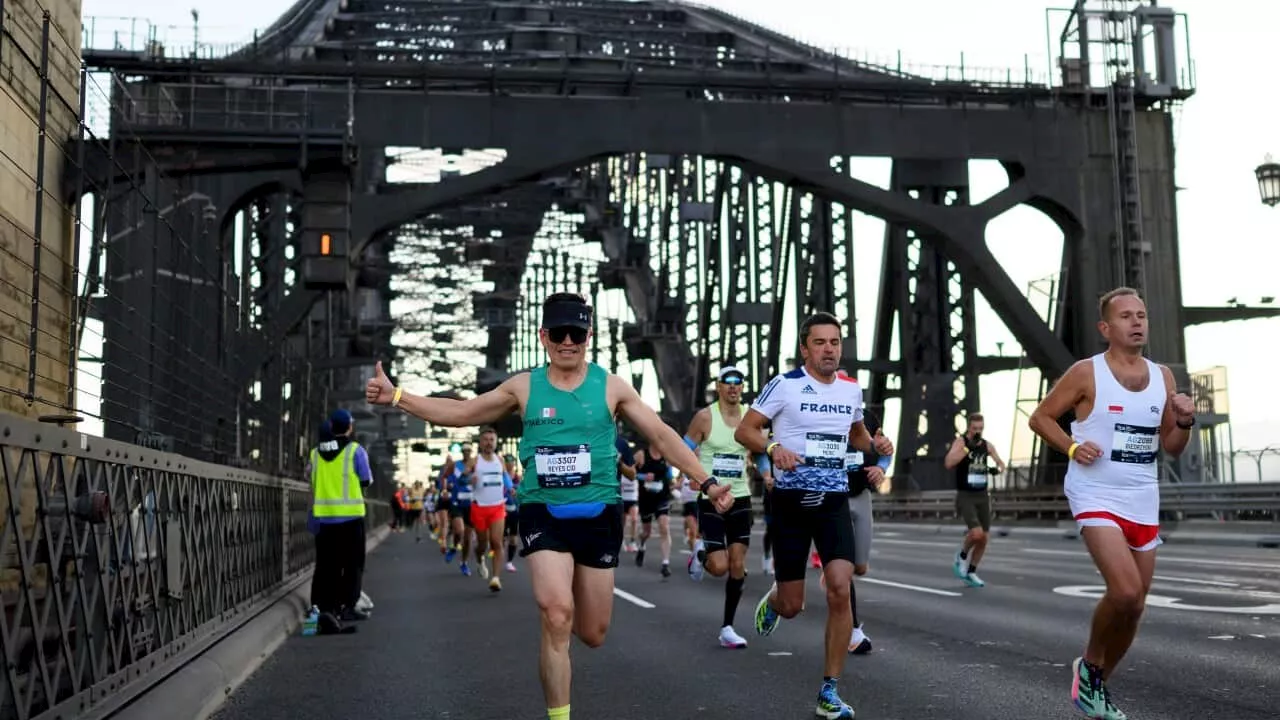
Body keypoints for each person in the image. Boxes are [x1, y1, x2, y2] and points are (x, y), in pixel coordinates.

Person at [365, 292, 731, 720]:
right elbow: (464, 412)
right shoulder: (524, 386)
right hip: (543, 511)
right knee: (556, 614)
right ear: (544, 336)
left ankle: (567, 613)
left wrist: (705, 482)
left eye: (577, 333)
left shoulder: (611, 386)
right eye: (559, 333)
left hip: (598, 514)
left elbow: (663, 436)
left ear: (588, 336)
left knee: (592, 633)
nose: (568, 341)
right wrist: (398, 397)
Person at [1028, 287, 1194, 720]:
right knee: (1124, 590)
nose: (1137, 322)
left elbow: (1172, 446)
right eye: (1126, 316)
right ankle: (1089, 665)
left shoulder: (1163, 377)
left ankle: (1094, 677)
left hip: (1143, 495)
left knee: (1136, 605)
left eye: (1141, 314)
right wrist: (1069, 448)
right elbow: (1041, 416)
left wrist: (1187, 421)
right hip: (1094, 491)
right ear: (1106, 328)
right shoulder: (1087, 373)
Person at [733, 312, 894, 720]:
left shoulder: (850, 389)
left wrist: (876, 443)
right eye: (820, 343)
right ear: (805, 348)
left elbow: (856, 435)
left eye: (835, 342)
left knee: (840, 587)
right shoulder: (784, 386)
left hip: (833, 500)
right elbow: (746, 430)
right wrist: (772, 449)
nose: (829, 350)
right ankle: (773, 600)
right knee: (792, 605)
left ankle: (829, 692)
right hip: (791, 501)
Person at [683, 365, 763, 649]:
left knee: (738, 564)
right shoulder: (705, 417)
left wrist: (766, 474)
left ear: (742, 387)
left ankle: (727, 627)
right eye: (727, 382)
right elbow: (683, 447)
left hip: (740, 497)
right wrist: (689, 477)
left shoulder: (750, 418)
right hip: (711, 498)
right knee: (719, 567)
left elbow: (760, 450)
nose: (733, 386)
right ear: (718, 386)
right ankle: (701, 554)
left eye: (738, 381)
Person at [308, 409, 372, 624]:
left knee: (326, 566)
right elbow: (366, 480)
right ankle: (347, 606)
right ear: (349, 427)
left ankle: (323, 607)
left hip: (324, 519)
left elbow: (310, 477)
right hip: (351, 518)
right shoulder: (355, 451)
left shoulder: (315, 453)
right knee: (352, 565)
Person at [942, 412, 1006, 587]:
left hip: (982, 495)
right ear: (969, 427)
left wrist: (997, 470)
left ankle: (971, 572)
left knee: (984, 537)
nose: (978, 432)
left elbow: (1001, 464)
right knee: (976, 533)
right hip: (966, 494)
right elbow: (948, 463)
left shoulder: (986, 445)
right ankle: (961, 555)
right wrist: (967, 448)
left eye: (980, 429)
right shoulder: (961, 442)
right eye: (974, 429)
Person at [471, 426, 514, 590]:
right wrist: (470, 479)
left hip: (497, 506)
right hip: (479, 507)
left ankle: (496, 578)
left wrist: (510, 488)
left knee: (496, 542)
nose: (489, 443)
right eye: (486, 440)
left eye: (492, 440)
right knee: (482, 544)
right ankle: (480, 559)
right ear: (480, 443)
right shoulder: (475, 461)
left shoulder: (500, 460)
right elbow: (463, 478)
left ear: (495, 443)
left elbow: (505, 477)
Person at [635, 445, 674, 576]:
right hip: (646, 498)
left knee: (664, 526)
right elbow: (629, 472)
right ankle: (642, 545)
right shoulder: (641, 454)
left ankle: (665, 563)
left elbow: (669, 475)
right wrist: (642, 476)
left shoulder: (666, 454)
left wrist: (671, 477)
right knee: (647, 532)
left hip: (662, 497)